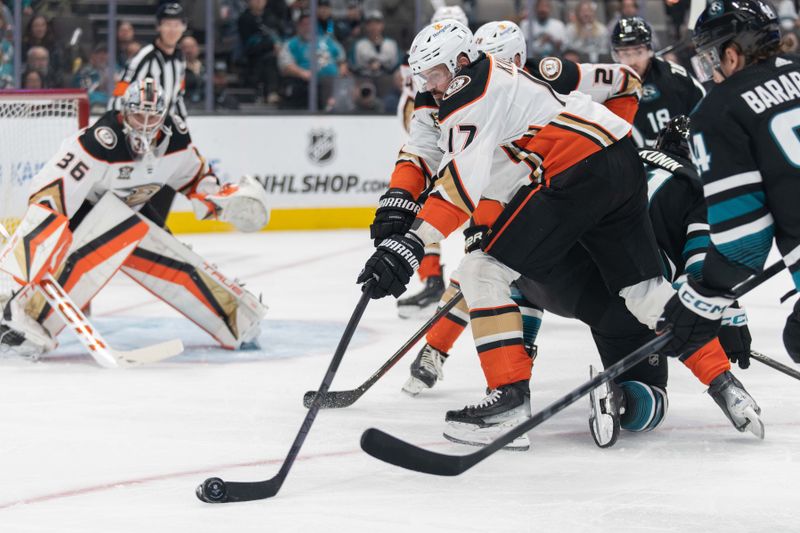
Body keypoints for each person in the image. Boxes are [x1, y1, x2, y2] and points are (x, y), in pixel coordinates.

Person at [357, 19, 665, 448]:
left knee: (492, 267)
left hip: (569, 176)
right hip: (556, 177)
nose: (428, 84)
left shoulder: (523, 78)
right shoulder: (449, 88)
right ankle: (712, 356)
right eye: (423, 76)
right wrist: (398, 201)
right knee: (495, 265)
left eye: (434, 74)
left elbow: (625, 82)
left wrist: (410, 244)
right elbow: (425, 148)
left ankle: (508, 389)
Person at [0, 78, 269, 361]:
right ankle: (21, 319)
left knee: (174, 257)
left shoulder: (176, 140)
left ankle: (235, 316)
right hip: (86, 216)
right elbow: (52, 191)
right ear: (124, 112)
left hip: (131, 213)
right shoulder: (99, 142)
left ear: (164, 116)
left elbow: (196, 178)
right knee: (101, 240)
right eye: (138, 114)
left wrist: (219, 199)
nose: (145, 123)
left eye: (153, 116)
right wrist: (40, 244)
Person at [658, 0, 800, 408]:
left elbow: (744, 244)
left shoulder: (718, 111)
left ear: (732, 54)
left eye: (708, 59)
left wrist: (701, 299)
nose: (709, 70)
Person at [611, 16, 705, 146]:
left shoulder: (676, 77)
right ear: (616, 55)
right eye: (626, 54)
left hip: (684, 158)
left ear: (649, 50)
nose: (632, 61)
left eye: (638, 52)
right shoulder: (610, 91)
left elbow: (704, 111)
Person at [110, 2, 188, 120]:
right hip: (142, 127)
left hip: (167, 128)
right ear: (158, 26)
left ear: (184, 27)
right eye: (167, 24)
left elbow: (178, 96)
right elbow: (120, 92)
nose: (172, 30)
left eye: (177, 25)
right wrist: (115, 124)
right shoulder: (144, 57)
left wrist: (182, 124)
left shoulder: (180, 59)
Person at [278, 10, 348, 110]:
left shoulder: (328, 40)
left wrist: (341, 72)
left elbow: (342, 59)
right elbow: (285, 66)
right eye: (304, 24)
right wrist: (302, 73)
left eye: (310, 24)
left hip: (333, 80)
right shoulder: (292, 44)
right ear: (298, 27)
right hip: (307, 82)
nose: (308, 27)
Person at [238, 0, 283, 104]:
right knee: (269, 59)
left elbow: (279, 34)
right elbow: (248, 43)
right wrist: (271, 44)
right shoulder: (244, 18)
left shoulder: (271, 17)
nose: (258, 1)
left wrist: (278, 45)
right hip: (253, 55)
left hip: (273, 53)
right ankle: (271, 92)